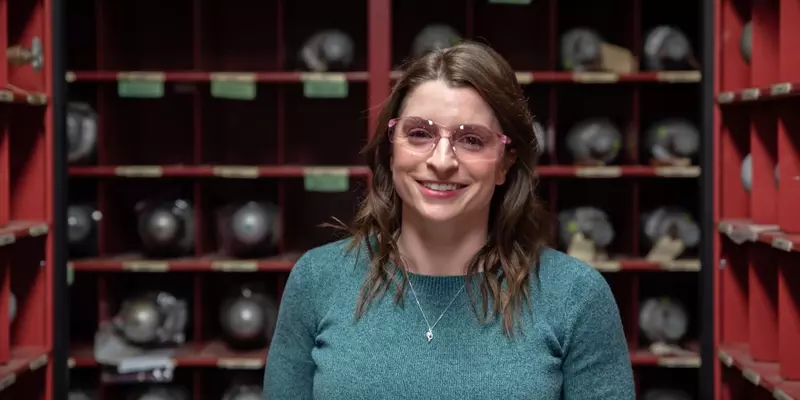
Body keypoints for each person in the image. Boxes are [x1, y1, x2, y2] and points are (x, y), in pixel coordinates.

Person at [262, 41, 635, 399]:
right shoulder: (317, 280)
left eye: (471, 139)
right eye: (420, 134)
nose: (442, 161)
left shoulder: (575, 297)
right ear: (391, 152)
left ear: (505, 162)